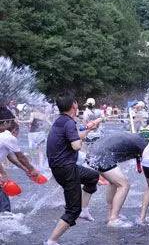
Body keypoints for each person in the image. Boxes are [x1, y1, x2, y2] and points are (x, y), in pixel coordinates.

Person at [45, 94, 100, 245]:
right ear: (73, 106)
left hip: (62, 168)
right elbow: (76, 145)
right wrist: (81, 140)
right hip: (67, 169)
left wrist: (88, 129)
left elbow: (74, 137)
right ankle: (51, 241)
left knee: (93, 176)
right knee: (72, 210)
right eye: (76, 103)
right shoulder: (69, 123)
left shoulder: (61, 121)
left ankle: (84, 209)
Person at [85, 133, 148, 227]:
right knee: (124, 185)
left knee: (114, 182)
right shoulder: (144, 145)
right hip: (102, 156)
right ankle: (114, 219)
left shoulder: (134, 139)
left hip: (92, 154)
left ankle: (111, 214)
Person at [0, 106, 40, 213]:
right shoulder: (7, 137)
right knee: (3, 203)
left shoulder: (3, 137)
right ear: (4, 123)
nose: (11, 123)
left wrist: (25, 169)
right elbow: (20, 156)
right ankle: (7, 221)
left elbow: (10, 155)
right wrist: (32, 169)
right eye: (11, 121)